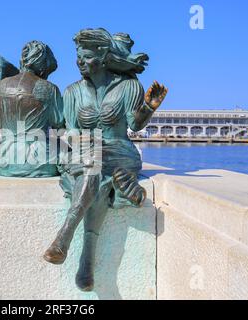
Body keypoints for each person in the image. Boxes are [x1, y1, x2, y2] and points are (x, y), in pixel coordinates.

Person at [43, 28, 168, 291]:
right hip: (86, 153)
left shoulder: (130, 86)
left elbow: (134, 125)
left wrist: (148, 107)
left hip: (120, 150)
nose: (79, 61)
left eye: (85, 56)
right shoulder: (73, 91)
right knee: (94, 171)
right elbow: (72, 131)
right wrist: (86, 143)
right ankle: (122, 194)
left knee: (93, 167)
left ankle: (65, 238)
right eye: (77, 56)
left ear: (103, 56)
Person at [0, 41, 64, 177]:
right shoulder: (49, 88)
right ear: (42, 63)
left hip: (6, 160)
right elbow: (58, 123)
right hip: (41, 160)